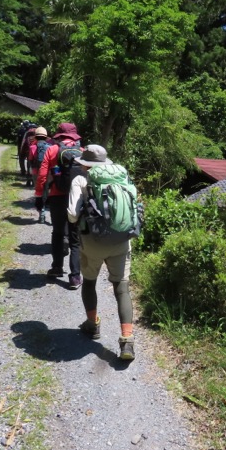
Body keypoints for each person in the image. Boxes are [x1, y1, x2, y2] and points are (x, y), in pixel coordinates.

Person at [67, 145, 135, 361]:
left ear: (84, 164)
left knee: (89, 282)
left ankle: (93, 324)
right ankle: (127, 342)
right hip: (121, 241)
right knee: (121, 289)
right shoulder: (122, 176)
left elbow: (71, 214)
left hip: (92, 242)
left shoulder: (80, 180)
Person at [35, 122, 83, 289]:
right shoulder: (82, 152)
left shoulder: (52, 149)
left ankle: (56, 267)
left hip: (57, 197)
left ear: (59, 134)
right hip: (76, 198)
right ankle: (75, 277)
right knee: (75, 238)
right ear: (74, 135)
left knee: (57, 232)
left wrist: (40, 195)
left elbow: (42, 175)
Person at [28, 126, 49, 222]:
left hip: (36, 172)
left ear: (36, 137)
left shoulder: (32, 147)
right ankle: (47, 210)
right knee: (47, 191)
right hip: (48, 173)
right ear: (46, 137)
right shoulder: (50, 147)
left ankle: (42, 214)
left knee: (39, 191)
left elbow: (30, 160)